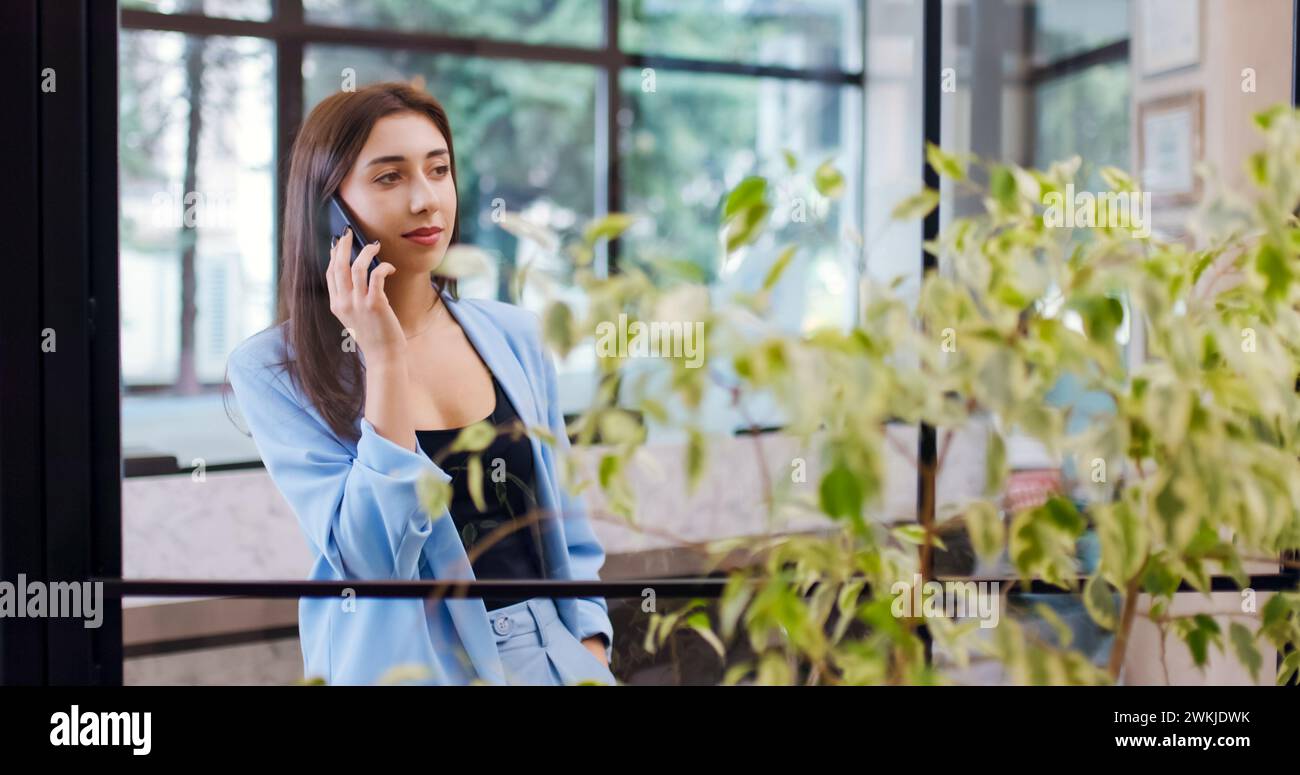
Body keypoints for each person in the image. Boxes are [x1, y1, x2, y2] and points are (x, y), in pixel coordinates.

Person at [225, 81, 615, 686]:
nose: (427, 200)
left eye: (439, 170)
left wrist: (589, 649)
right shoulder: (274, 370)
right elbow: (371, 559)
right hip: (407, 668)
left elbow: (567, 522)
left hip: (550, 659)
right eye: (389, 178)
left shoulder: (516, 335)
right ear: (330, 208)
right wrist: (383, 358)